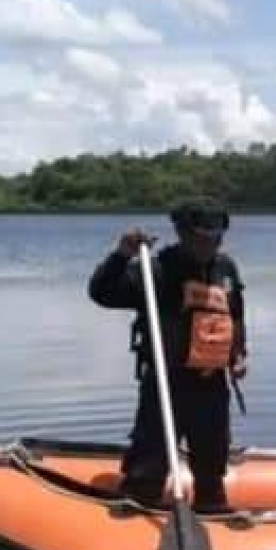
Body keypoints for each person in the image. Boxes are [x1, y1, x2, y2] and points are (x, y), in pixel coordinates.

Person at [88, 197, 247, 512]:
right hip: (165, 384)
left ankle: (212, 516)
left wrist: (239, 353)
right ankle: (137, 512)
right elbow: (103, 293)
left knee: (211, 467)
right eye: (201, 237)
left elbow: (236, 315)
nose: (208, 244)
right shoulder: (156, 270)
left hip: (211, 385)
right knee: (149, 466)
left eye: (215, 238)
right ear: (183, 234)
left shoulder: (225, 269)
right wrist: (122, 256)